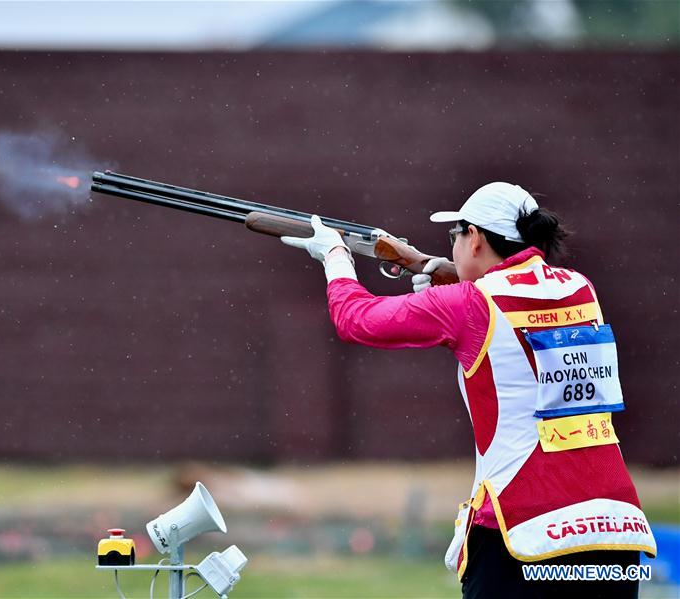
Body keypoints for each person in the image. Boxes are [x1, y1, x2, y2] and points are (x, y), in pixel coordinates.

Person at [280, 183, 656, 598]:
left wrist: (335, 256)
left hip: (521, 529)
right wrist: (446, 282)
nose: (454, 246)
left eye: (455, 236)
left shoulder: (469, 303)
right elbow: (524, 334)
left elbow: (356, 319)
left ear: (474, 238)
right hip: (612, 526)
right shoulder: (580, 288)